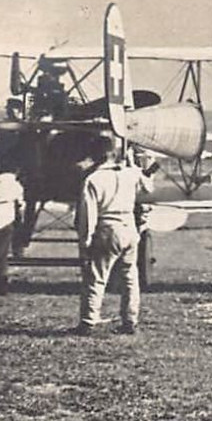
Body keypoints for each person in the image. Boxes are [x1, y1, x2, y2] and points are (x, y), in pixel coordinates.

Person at [76, 137, 154, 335]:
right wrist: (136, 165)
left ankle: (88, 321)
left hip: (107, 227)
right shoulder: (129, 174)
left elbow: (88, 215)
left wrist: (85, 241)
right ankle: (130, 320)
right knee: (130, 276)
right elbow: (148, 187)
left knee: (97, 276)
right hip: (129, 227)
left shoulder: (93, 179)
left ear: (94, 156)